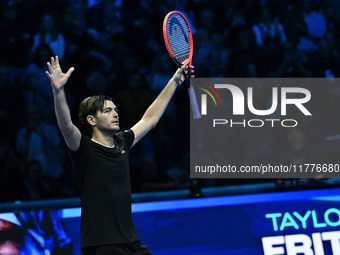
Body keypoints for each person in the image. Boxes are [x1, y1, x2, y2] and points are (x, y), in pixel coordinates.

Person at [45, 56, 192, 255]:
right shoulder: (84, 149)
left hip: (130, 241)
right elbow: (66, 126)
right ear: (91, 120)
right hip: (102, 244)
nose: (115, 114)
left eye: (115, 110)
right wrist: (58, 91)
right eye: (107, 111)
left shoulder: (123, 142)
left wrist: (174, 82)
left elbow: (150, 119)